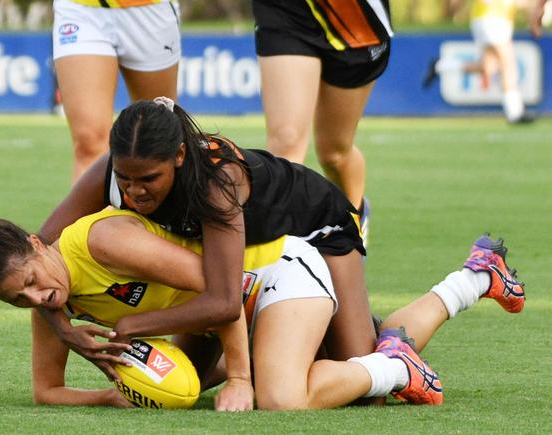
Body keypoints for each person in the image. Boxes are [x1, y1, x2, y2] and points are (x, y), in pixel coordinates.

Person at [0, 209, 526, 410]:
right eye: (18, 299)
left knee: (283, 398)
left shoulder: (99, 243)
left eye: (31, 280)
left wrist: (240, 375)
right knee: (353, 361)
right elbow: (46, 391)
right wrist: (116, 394)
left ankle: (401, 371)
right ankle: (474, 279)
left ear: (36, 243)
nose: (37, 298)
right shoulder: (49, 305)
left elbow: (225, 285)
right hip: (224, 311)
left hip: (272, 273)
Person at [36, 98, 379, 389]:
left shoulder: (217, 182)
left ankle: (394, 344)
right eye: (125, 179)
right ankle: (283, 350)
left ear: (180, 155)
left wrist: (132, 326)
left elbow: (225, 302)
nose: (134, 191)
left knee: (363, 381)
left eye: (149, 179)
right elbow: (34, 250)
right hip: (254, 263)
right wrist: (62, 328)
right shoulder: (108, 173)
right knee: (188, 380)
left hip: (319, 228)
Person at [252, 0, 394, 248]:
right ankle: (279, 263)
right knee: (286, 144)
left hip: (354, 17)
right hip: (287, 9)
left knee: (334, 153)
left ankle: (353, 218)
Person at [52, 0, 181, 182]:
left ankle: (164, 210)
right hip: (81, 10)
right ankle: (98, 211)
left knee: (159, 140)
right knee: (89, 142)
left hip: (150, 10)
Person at [423, 0, 534, 124]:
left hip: (491, 20)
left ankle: (441, 66)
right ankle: (515, 112)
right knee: (507, 63)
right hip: (493, 19)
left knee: (487, 68)